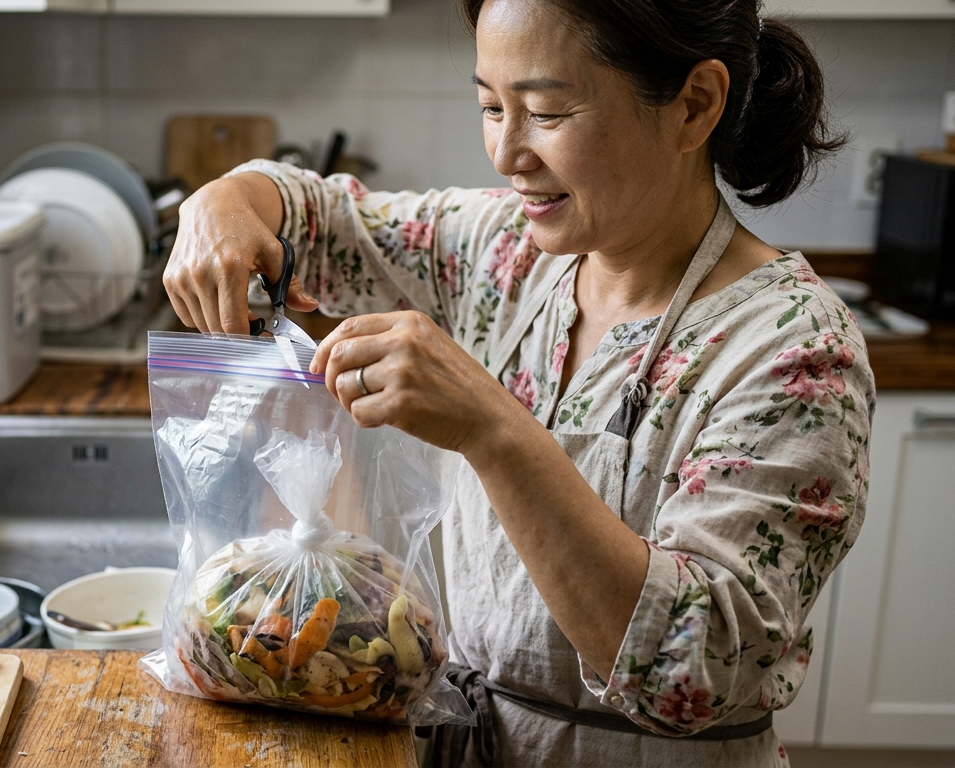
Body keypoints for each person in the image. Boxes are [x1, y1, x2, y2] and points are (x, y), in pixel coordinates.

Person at [162, 0, 872, 765]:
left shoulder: (795, 351)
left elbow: (692, 669)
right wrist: (223, 202)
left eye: (545, 111)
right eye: (490, 106)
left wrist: (494, 431)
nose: (506, 152)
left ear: (694, 105)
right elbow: (315, 216)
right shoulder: (506, 252)